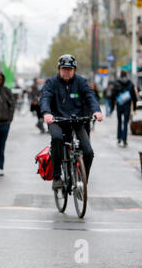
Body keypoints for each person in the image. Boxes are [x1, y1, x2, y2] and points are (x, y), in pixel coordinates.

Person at [40, 54, 103, 191]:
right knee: (57, 139)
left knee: (88, 152)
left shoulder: (81, 82)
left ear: (74, 70)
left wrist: (96, 111)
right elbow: (45, 98)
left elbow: (90, 97)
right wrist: (46, 113)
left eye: (69, 69)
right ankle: (57, 177)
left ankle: (82, 178)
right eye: (64, 69)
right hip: (56, 120)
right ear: (59, 69)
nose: (66, 72)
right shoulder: (52, 83)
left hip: (76, 121)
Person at [111, 71, 138, 148]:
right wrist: (135, 108)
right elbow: (134, 96)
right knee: (126, 122)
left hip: (119, 104)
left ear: (120, 75)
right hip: (127, 105)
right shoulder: (130, 83)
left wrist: (112, 107)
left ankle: (119, 138)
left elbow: (113, 95)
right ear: (126, 75)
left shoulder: (116, 83)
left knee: (119, 121)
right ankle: (124, 139)